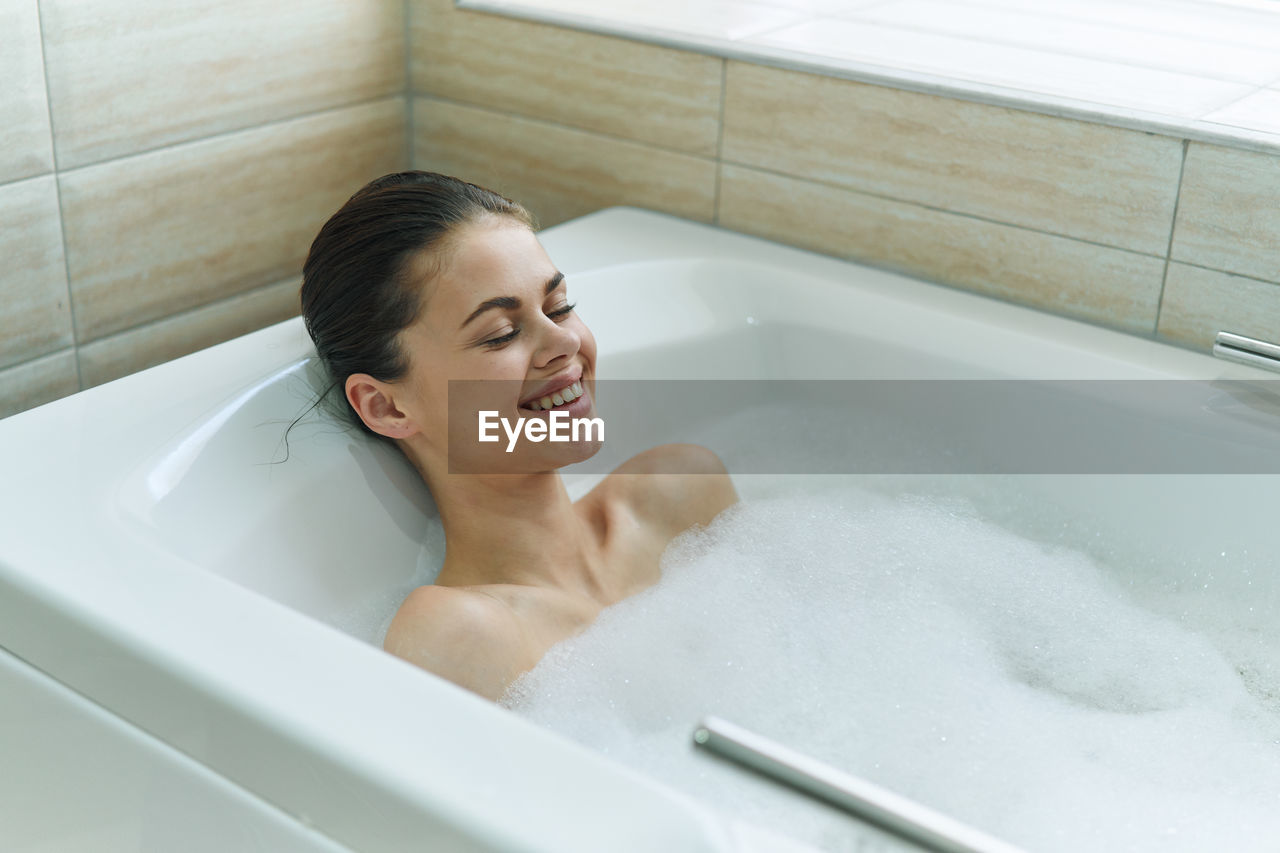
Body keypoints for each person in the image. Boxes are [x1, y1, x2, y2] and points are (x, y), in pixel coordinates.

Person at [301, 172, 738, 701]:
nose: (563, 342)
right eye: (500, 334)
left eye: (559, 307)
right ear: (387, 406)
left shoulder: (679, 494)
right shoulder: (460, 634)